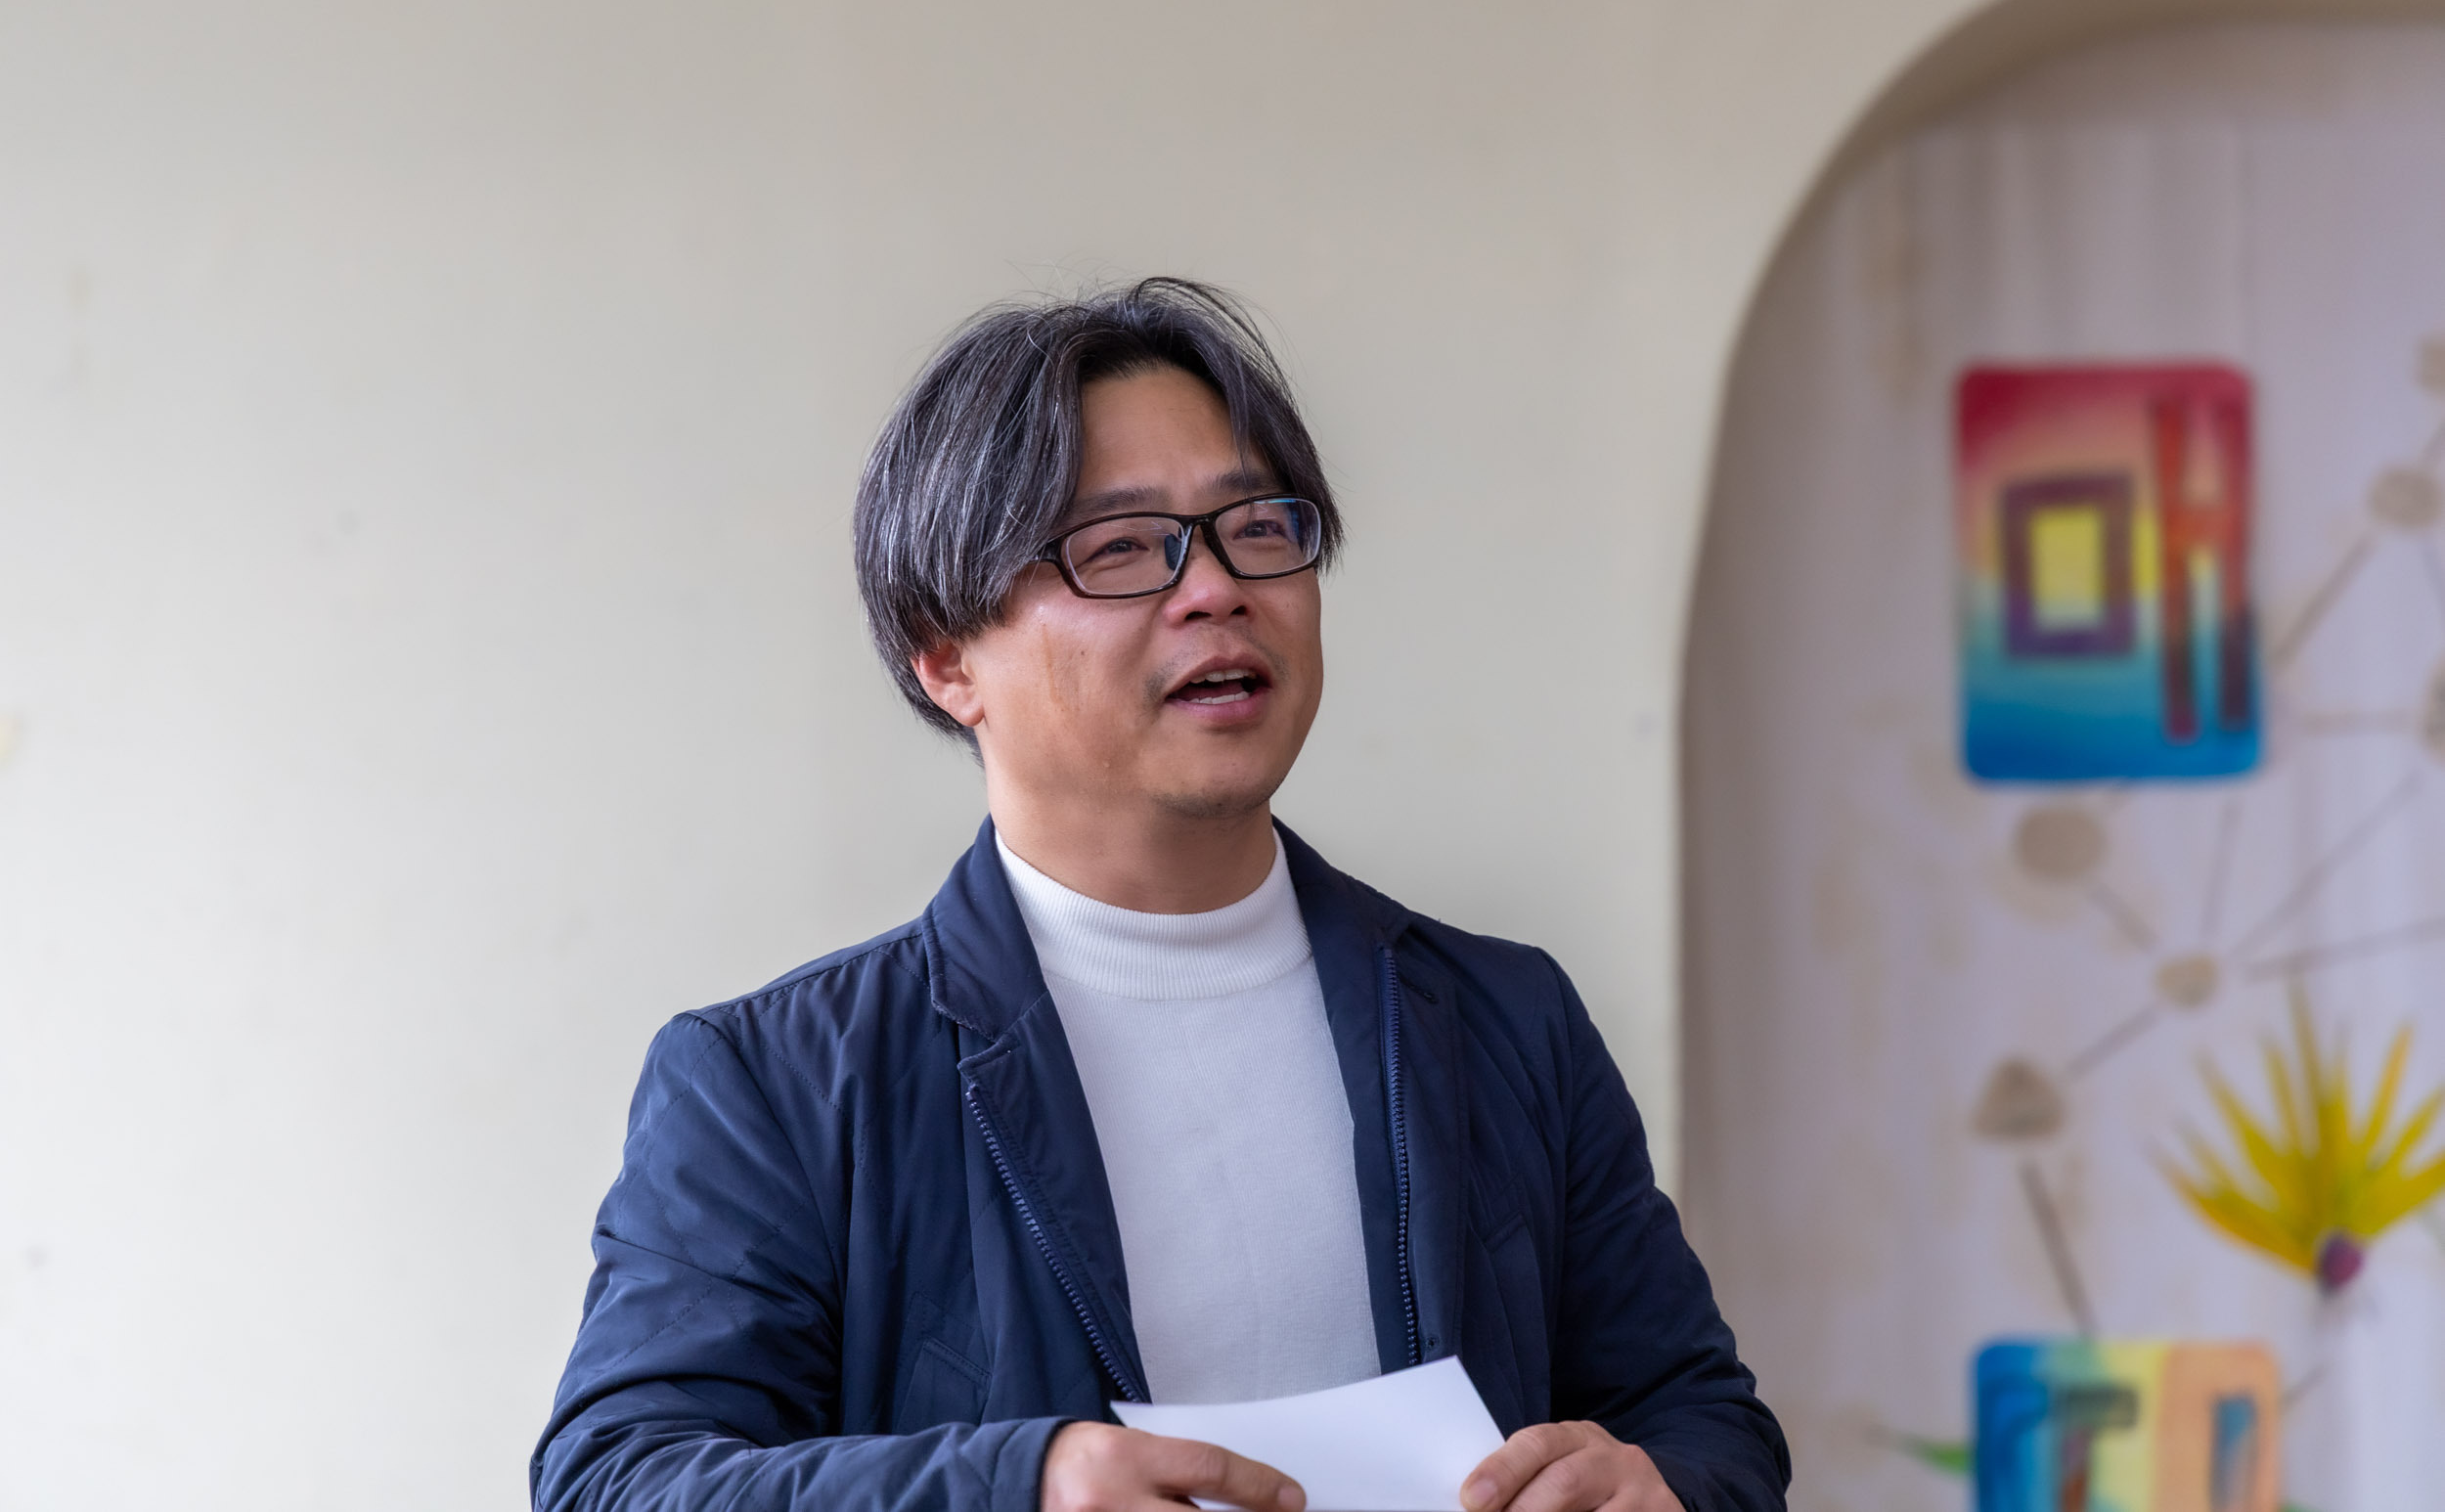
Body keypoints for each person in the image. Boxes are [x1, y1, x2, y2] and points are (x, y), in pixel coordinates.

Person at [533, 279, 1790, 1512]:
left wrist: (1662, 1484)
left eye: (1259, 527)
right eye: (1121, 547)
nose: (1216, 587)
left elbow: (1703, 1421)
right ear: (946, 656)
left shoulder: (1506, 1017)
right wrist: (1017, 1486)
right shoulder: (777, 1080)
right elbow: (617, 1478)